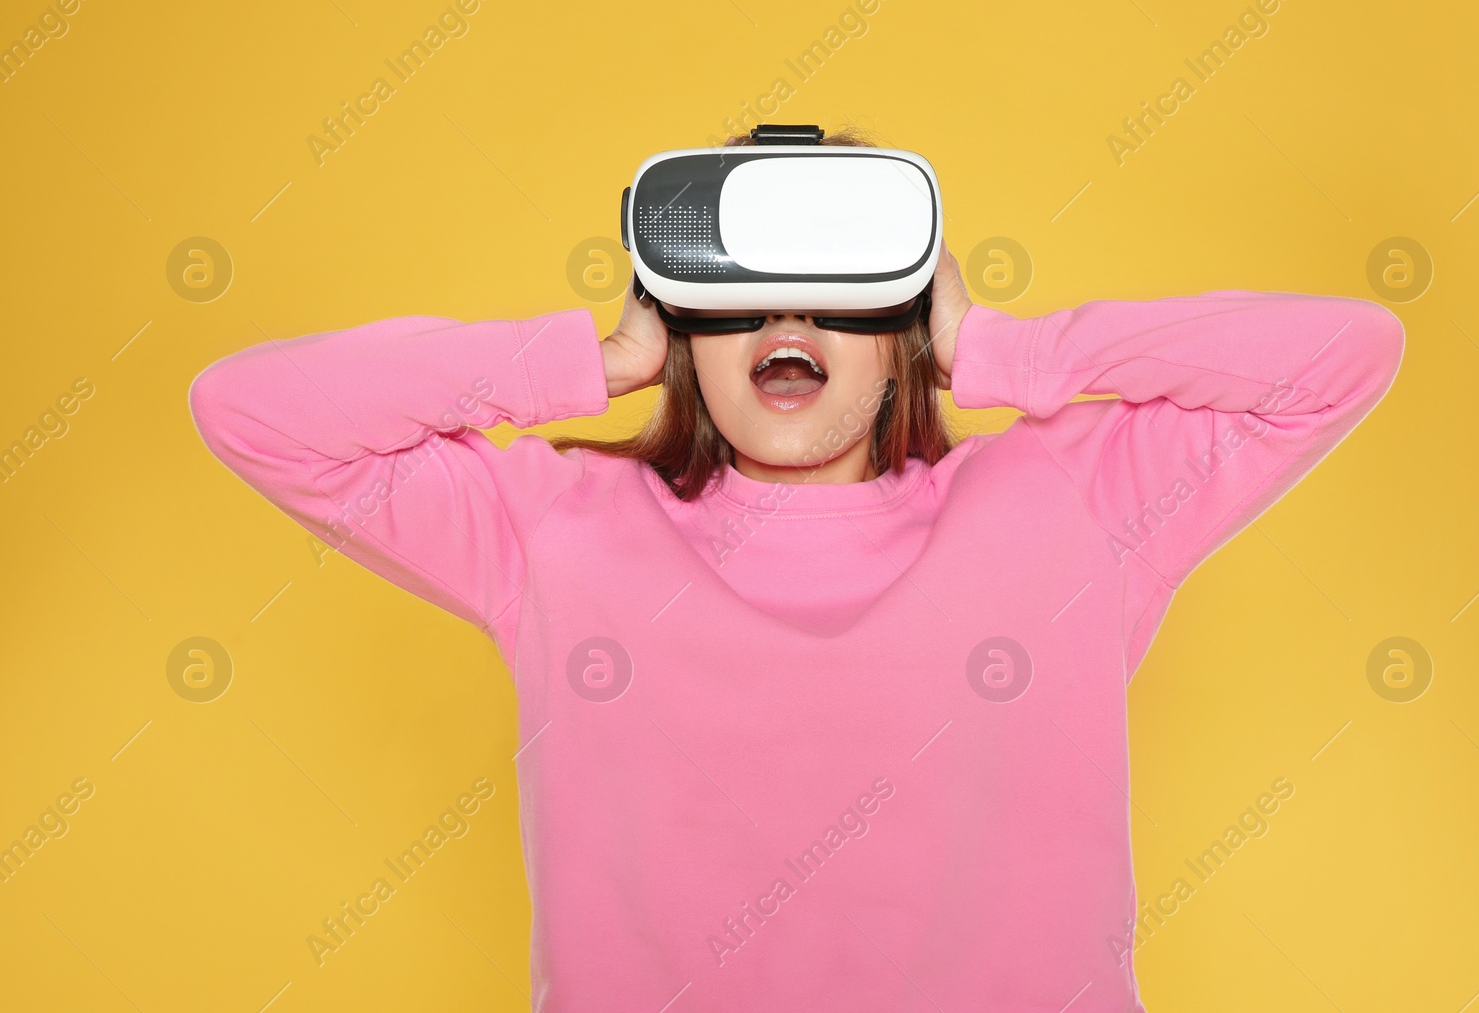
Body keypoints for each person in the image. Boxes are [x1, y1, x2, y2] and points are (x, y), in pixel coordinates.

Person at [188, 127, 1405, 1011]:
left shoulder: (1072, 502)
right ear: (682, 332)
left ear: (901, 330)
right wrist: (593, 359)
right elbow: (250, 409)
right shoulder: (552, 526)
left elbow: (1344, 353)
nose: (788, 325)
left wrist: (996, 346)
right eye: (736, 296)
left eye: (837, 291)